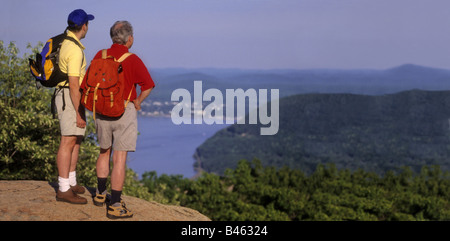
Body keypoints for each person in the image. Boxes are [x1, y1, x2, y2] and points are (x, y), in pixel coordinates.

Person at [90, 20, 155, 219]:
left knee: (103, 151)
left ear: (112, 37)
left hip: (101, 109)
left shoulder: (99, 55)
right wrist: (137, 101)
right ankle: (115, 204)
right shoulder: (132, 59)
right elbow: (148, 85)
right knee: (119, 158)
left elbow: (88, 83)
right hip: (124, 110)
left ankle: (100, 194)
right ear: (130, 39)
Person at [55, 9, 94, 204]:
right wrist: (79, 111)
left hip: (69, 96)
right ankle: (63, 189)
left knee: (76, 140)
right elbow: (73, 83)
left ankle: (71, 182)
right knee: (68, 141)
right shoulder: (75, 50)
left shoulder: (67, 42)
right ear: (84, 26)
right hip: (70, 97)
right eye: (88, 24)